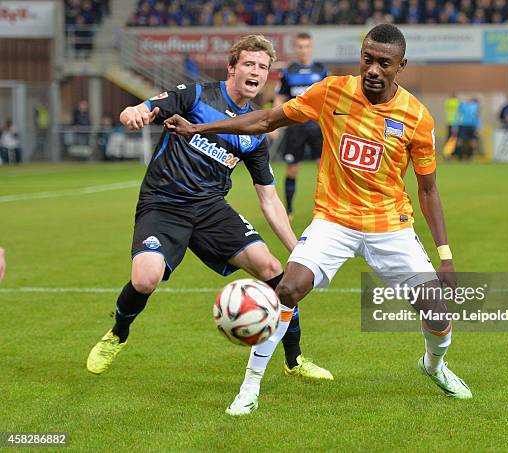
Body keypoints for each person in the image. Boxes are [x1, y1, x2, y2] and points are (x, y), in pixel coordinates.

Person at [165, 24, 472, 415]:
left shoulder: (416, 118)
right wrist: (198, 127)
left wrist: (444, 255)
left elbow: (428, 190)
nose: (373, 69)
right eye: (367, 59)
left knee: (436, 308)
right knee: (288, 289)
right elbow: (265, 121)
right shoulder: (331, 91)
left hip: (390, 225)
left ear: (401, 65)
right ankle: (250, 387)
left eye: (384, 63)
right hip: (335, 220)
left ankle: (435, 365)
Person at [86, 35, 331, 386]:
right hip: (164, 203)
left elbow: (269, 198)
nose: (255, 72)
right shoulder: (196, 95)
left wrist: (299, 250)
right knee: (145, 278)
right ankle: (117, 334)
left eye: (263, 67)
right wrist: (134, 112)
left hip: (210, 209)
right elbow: (148, 107)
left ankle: (295, 359)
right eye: (248, 64)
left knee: (274, 270)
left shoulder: (255, 130)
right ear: (232, 67)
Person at [271, 32, 328, 219]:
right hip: (295, 127)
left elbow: (330, 99)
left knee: (325, 169)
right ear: (296, 48)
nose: (303, 50)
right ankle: (288, 211)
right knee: (292, 168)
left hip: (317, 127)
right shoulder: (289, 71)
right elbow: (280, 98)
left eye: (306, 46)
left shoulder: (321, 70)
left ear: (311, 48)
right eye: (300, 47)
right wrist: (274, 125)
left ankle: (327, 208)